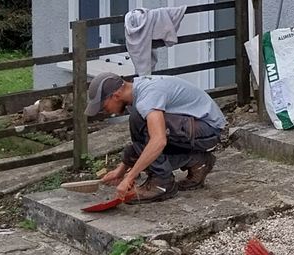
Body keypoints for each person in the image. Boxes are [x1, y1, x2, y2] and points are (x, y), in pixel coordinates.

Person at [89, 72, 226, 202]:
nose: (104, 111)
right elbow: (141, 144)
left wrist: (129, 178)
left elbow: (158, 141)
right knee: (137, 144)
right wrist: (121, 170)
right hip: (193, 126)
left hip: (208, 129)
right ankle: (198, 161)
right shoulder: (138, 91)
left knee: (145, 127)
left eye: (103, 106)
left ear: (116, 94)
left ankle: (161, 183)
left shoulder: (147, 98)